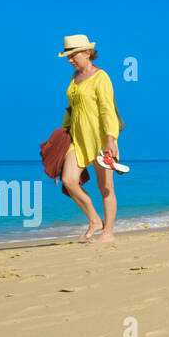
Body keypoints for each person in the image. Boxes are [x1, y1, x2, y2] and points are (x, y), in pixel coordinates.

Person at [58, 34, 124, 243]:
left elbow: (107, 110)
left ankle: (108, 233)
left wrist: (110, 139)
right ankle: (95, 220)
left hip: (99, 139)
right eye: (67, 56)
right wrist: (63, 132)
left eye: (73, 55)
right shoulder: (74, 78)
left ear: (87, 53)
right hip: (77, 139)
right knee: (69, 180)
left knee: (106, 187)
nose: (70, 60)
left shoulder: (101, 77)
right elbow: (72, 108)